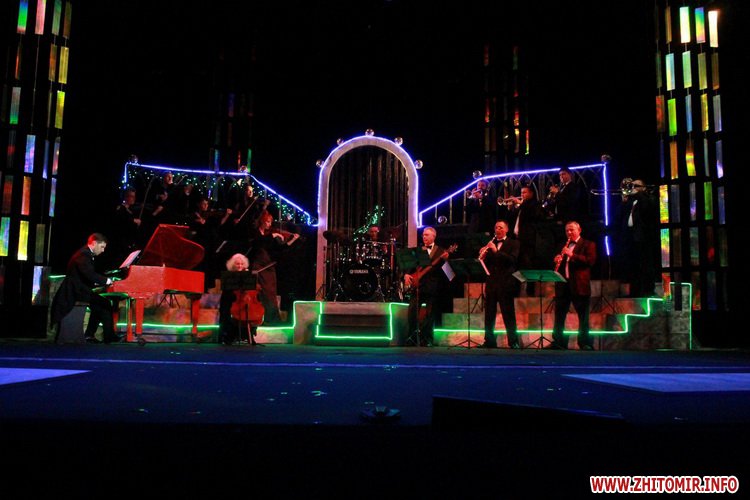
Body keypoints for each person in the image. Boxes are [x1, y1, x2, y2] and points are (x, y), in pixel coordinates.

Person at [50, 233, 120, 344]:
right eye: (102, 247)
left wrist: (98, 282)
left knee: (100, 305)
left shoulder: (85, 253)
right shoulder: (83, 254)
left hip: (80, 290)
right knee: (105, 303)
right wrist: (107, 281)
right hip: (75, 292)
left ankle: (90, 335)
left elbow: (85, 275)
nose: (103, 250)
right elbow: (89, 274)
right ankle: (108, 337)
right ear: (94, 243)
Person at [549, 221, 596, 350]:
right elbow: (561, 266)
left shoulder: (588, 244)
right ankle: (558, 342)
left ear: (579, 230)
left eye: (571, 230)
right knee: (559, 315)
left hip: (579, 285)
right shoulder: (563, 245)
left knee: (583, 316)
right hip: (563, 285)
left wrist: (572, 255)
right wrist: (557, 260)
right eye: (567, 231)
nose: (569, 233)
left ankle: (584, 342)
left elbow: (590, 261)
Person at [403, 226, 450, 347]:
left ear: (434, 236)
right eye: (423, 235)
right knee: (412, 312)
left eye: (427, 235)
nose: (424, 237)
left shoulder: (441, 251)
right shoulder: (418, 250)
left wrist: (446, 261)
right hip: (417, 286)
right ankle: (412, 337)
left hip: (432, 287)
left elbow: (448, 272)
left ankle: (427, 339)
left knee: (430, 315)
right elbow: (410, 266)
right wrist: (406, 274)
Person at [249, 210, 298, 324]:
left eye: (270, 222)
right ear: (262, 221)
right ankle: (259, 317)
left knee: (270, 293)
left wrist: (293, 239)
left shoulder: (268, 236)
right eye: (267, 222)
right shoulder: (256, 233)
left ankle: (271, 318)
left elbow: (280, 249)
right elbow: (258, 242)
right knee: (262, 293)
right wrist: (273, 235)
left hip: (268, 267)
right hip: (258, 267)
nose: (269, 224)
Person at [479, 220, 521, 349]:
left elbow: (512, 260)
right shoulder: (490, 244)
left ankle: (513, 341)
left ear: (507, 229)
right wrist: (483, 255)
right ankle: (489, 340)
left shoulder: (514, 243)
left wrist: (496, 251)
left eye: (501, 228)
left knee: (508, 313)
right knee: (489, 314)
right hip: (492, 283)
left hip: (506, 283)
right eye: (496, 227)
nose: (498, 230)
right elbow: (487, 264)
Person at [618, 180, 659, 297]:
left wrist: (638, 194)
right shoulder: (630, 201)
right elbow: (618, 216)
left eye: (636, 185)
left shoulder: (648, 198)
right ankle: (635, 291)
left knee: (645, 265)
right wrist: (623, 201)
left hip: (643, 238)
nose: (633, 187)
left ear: (644, 188)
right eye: (632, 185)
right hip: (630, 237)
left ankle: (648, 290)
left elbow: (647, 210)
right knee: (633, 266)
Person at [218, 253, 259, 345]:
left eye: (242, 264)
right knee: (227, 312)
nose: (240, 266)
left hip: (243, 301)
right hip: (231, 300)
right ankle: (228, 336)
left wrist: (248, 276)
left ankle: (248, 335)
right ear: (233, 265)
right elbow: (227, 292)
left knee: (249, 312)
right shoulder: (228, 276)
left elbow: (253, 289)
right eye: (237, 264)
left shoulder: (247, 274)